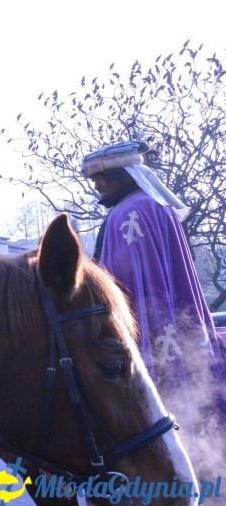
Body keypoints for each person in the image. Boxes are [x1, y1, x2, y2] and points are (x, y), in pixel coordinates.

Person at [81, 139, 226, 484]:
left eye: (103, 179)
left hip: (154, 330)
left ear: (124, 175)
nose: (98, 187)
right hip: (181, 326)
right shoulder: (155, 206)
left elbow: (120, 280)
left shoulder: (129, 213)